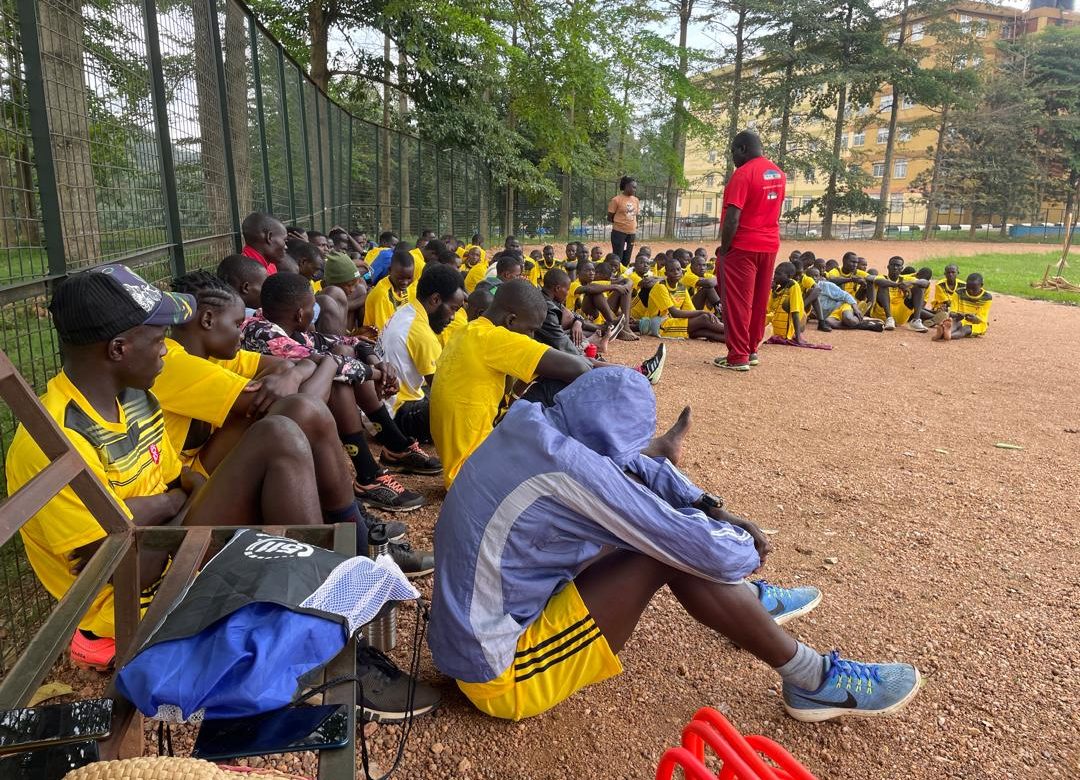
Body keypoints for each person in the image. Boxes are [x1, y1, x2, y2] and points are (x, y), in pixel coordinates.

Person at [429, 367, 922, 722]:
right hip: (496, 671)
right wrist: (737, 544)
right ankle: (812, 679)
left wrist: (707, 505)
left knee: (658, 535)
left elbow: (633, 467)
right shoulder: (570, 473)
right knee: (661, 553)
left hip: (479, 622)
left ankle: (746, 609)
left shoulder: (533, 424)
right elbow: (708, 549)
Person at [5, 265, 360, 670]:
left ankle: (322, 604)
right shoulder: (53, 439)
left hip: (164, 539)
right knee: (279, 435)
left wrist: (160, 504)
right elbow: (119, 572)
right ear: (118, 349)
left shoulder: (136, 398)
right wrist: (171, 502)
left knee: (280, 433)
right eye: (158, 340)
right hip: (129, 597)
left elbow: (183, 479)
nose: (166, 349)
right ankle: (321, 639)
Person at [242, 272, 439, 509]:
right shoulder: (267, 336)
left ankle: (394, 447)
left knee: (340, 355)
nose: (315, 310)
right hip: (264, 422)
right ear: (299, 314)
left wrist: (377, 363)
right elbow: (336, 365)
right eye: (311, 306)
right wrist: (378, 374)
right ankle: (370, 476)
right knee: (337, 376)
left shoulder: (282, 325)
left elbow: (349, 342)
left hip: (289, 407)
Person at [429, 280, 591, 487]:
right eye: (532, 330)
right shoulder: (496, 338)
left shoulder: (468, 331)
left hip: (461, 465)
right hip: (472, 474)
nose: (532, 337)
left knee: (545, 374)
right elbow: (580, 370)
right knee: (556, 382)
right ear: (511, 320)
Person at [713, 131, 786, 372]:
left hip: (743, 246)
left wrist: (724, 250)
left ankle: (737, 356)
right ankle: (752, 350)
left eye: (733, 151)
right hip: (769, 244)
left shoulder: (743, 174)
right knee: (758, 300)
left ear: (742, 148)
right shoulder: (778, 174)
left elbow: (733, 217)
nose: (733, 157)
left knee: (737, 303)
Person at [380, 264, 466, 443]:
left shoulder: (407, 311)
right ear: (435, 299)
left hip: (382, 407)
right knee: (466, 407)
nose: (453, 318)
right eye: (453, 309)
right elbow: (444, 391)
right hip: (396, 416)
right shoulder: (421, 332)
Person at [641, 259, 725, 343]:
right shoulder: (660, 287)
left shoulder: (682, 287)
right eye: (672, 270)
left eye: (678, 269)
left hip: (675, 320)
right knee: (704, 318)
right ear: (666, 274)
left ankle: (733, 339)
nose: (676, 272)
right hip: (661, 324)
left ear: (682, 272)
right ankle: (733, 332)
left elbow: (691, 311)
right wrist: (703, 312)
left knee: (706, 331)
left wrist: (702, 316)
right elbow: (675, 313)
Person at [806, 267, 883, 331]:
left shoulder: (826, 285)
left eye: (816, 276)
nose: (814, 278)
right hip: (831, 314)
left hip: (842, 306)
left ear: (820, 277)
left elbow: (846, 295)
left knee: (848, 319)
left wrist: (855, 308)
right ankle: (864, 324)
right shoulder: (805, 289)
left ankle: (858, 316)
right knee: (828, 322)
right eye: (811, 276)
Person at [869, 256, 930, 332]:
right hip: (882, 315)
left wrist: (910, 283)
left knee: (919, 288)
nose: (895, 268)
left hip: (901, 314)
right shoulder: (882, 277)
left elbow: (926, 283)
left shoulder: (905, 279)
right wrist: (898, 285)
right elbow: (873, 279)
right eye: (893, 265)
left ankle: (916, 321)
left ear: (902, 268)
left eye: (898, 266)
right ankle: (889, 319)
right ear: (888, 267)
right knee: (883, 285)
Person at [315, 252, 369, 336]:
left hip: (346, 339)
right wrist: (365, 298)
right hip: (331, 343)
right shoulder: (326, 297)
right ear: (326, 285)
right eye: (349, 285)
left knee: (361, 290)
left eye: (355, 284)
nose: (352, 290)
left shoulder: (357, 291)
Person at [364, 249, 415, 331]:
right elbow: (383, 332)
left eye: (409, 278)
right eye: (400, 278)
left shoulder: (405, 287)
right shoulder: (382, 295)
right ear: (390, 270)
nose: (405, 282)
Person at [934, 273, 991, 341]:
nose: (970, 291)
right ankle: (946, 331)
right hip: (959, 319)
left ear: (981, 285)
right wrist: (956, 315)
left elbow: (981, 319)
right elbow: (952, 312)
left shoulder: (986, 298)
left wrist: (975, 319)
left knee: (964, 329)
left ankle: (947, 335)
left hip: (977, 323)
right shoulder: (958, 293)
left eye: (974, 289)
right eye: (968, 288)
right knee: (954, 323)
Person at [766, 262, 806, 342]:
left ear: (789, 276)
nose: (775, 276)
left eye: (778, 274)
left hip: (784, 332)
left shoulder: (793, 286)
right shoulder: (777, 288)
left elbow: (795, 312)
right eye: (775, 273)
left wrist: (798, 338)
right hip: (773, 326)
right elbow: (769, 309)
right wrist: (770, 290)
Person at [608, 176, 640, 266]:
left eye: (635, 187)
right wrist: (621, 224)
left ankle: (624, 276)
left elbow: (635, 215)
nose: (634, 189)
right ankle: (616, 276)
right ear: (626, 186)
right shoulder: (616, 200)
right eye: (633, 187)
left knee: (627, 257)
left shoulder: (636, 200)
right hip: (619, 233)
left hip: (631, 233)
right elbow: (610, 217)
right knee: (618, 257)